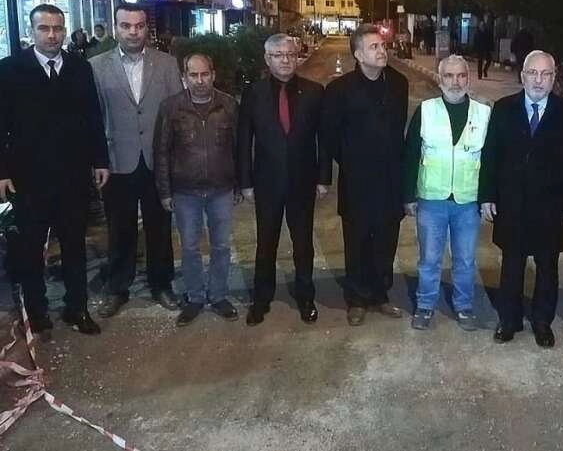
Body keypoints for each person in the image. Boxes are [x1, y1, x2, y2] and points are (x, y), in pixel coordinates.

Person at [0, 4, 109, 338]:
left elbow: (93, 117)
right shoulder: (9, 69)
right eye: (44, 28)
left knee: (75, 246)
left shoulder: (79, 67)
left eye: (57, 28)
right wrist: (2, 171)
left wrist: (100, 160)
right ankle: (37, 313)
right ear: (31, 31)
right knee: (30, 250)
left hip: (72, 177)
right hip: (27, 179)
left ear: (65, 30)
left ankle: (78, 308)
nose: (52, 35)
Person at [479, 50, 563, 348]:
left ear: (554, 78)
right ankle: (509, 320)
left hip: (551, 206)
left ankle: (542, 322)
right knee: (511, 265)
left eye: (546, 74)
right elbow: (490, 155)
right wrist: (487, 196)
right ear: (523, 75)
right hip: (512, 203)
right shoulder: (503, 108)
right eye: (533, 73)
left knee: (547, 267)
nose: (539, 80)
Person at [90, 3, 184, 318]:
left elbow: (177, 113)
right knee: (120, 228)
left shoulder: (167, 64)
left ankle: (162, 284)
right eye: (126, 25)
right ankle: (118, 287)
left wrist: (176, 158)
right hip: (117, 161)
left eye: (139, 26)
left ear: (147, 28)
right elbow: (93, 118)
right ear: (115, 27)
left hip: (158, 160)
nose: (133, 32)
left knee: (160, 226)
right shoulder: (96, 66)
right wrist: (97, 160)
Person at [238, 34, 331, 326]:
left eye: (290, 54)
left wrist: (324, 178)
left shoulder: (314, 92)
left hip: (303, 181)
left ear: (297, 56)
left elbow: (324, 139)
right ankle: (261, 299)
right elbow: (244, 140)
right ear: (267, 59)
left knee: (303, 243)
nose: (285, 60)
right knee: (266, 242)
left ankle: (306, 296)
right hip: (266, 182)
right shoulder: (253, 93)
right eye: (278, 55)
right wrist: (245, 182)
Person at [320, 23, 409, 326]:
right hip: (356, 180)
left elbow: (398, 129)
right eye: (374, 47)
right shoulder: (339, 90)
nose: (382, 51)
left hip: (390, 179)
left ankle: (380, 294)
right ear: (358, 55)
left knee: (386, 240)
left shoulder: (398, 83)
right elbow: (330, 137)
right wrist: (351, 160)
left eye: (382, 46)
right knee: (357, 241)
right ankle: (357, 299)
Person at [403, 55, 491, 331]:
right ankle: (425, 305)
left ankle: (464, 306)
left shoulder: (483, 113)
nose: (455, 82)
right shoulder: (426, 111)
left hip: (468, 201)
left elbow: (491, 161)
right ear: (440, 80)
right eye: (449, 76)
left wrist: (488, 198)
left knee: (464, 260)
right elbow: (410, 154)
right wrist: (408, 195)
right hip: (432, 199)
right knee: (429, 259)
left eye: (461, 75)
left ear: (468, 78)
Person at [153, 53, 239, 326]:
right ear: (184, 78)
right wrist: (165, 191)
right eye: (193, 75)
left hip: (221, 189)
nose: (199, 81)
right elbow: (161, 152)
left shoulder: (228, 105)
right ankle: (195, 298)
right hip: (185, 191)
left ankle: (218, 295)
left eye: (204, 74)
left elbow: (239, 148)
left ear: (213, 75)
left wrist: (240, 184)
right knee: (189, 247)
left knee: (221, 246)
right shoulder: (170, 108)